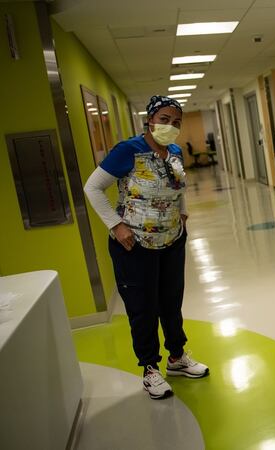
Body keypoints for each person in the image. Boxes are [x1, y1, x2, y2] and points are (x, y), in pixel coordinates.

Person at [84, 95, 209, 399]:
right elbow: (92, 187)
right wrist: (116, 224)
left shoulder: (175, 151)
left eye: (176, 122)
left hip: (171, 239)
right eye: (164, 119)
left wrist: (182, 211)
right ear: (150, 120)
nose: (170, 126)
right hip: (134, 244)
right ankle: (150, 369)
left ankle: (177, 358)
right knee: (143, 308)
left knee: (171, 301)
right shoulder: (129, 150)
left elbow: (177, 186)